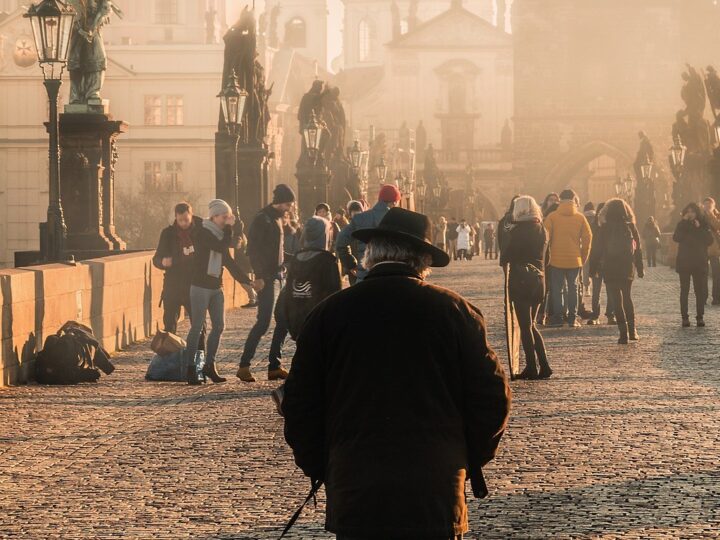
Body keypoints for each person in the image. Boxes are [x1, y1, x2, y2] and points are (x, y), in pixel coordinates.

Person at [282, 207, 511, 540]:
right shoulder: (456, 312)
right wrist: (461, 459)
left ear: (370, 255)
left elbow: (299, 405)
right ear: (423, 261)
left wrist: (325, 467)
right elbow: (493, 401)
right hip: (435, 490)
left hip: (357, 492)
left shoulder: (328, 315)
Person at [271, 215, 343, 415]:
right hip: (319, 317)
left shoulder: (297, 259)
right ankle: (288, 391)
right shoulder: (327, 261)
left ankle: (300, 395)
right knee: (318, 360)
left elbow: (290, 291)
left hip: (297, 317)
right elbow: (334, 295)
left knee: (308, 358)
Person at [185, 199, 253, 385]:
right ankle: (191, 368)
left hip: (216, 286)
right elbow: (221, 247)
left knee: (219, 326)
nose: (226, 220)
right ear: (214, 216)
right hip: (200, 286)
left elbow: (228, 261)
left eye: (228, 217)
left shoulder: (221, 235)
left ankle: (209, 365)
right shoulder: (203, 233)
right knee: (197, 327)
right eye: (224, 217)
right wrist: (231, 230)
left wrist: (247, 282)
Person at [237, 184, 297, 383]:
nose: (290, 207)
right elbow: (252, 251)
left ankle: (274, 366)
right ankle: (244, 365)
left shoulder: (277, 218)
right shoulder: (262, 219)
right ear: (280, 202)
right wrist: (260, 276)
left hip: (279, 276)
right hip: (267, 278)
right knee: (263, 322)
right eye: (288, 203)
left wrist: (295, 258)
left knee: (283, 320)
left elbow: (277, 251)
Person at [500, 196, 551, 379]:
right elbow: (548, 258)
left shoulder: (518, 231)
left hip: (521, 282)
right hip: (539, 281)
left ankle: (531, 367)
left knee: (525, 326)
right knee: (531, 325)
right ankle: (544, 366)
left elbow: (506, 257)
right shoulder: (542, 230)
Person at [589, 199, 644, 344]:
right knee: (627, 297)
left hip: (610, 266)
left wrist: (592, 269)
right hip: (627, 266)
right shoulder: (631, 226)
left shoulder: (604, 228)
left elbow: (597, 250)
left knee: (616, 300)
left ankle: (623, 334)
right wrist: (640, 268)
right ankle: (633, 331)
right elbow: (638, 248)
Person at [543, 189, 593, 328]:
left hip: (556, 260)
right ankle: (572, 319)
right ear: (573, 199)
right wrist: (583, 257)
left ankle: (558, 318)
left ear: (560, 200)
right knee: (573, 289)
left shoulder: (552, 216)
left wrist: (547, 257)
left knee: (557, 289)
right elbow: (588, 238)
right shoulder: (580, 217)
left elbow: (545, 238)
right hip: (574, 259)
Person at [152, 202, 203, 335]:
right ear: (175, 217)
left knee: (199, 325)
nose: (183, 223)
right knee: (169, 326)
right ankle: (171, 355)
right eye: (180, 220)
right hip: (172, 286)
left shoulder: (201, 232)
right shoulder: (168, 234)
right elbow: (156, 259)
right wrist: (163, 262)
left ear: (191, 216)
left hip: (194, 285)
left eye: (186, 219)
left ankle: (199, 355)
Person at [336, 184, 402, 281]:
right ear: (394, 202)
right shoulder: (398, 220)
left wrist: (351, 264)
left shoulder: (360, 218)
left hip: (365, 277)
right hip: (391, 278)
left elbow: (340, 242)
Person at [673, 203, 714, 327]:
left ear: (697, 213)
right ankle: (684, 317)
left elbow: (709, 241)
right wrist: (684, 224)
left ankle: (700, 317)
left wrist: (699, 228)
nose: (690, 214)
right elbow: (676, 238)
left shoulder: (702, 224)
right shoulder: (681, 224)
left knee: (699, 291)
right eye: (688, 211)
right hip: (684, 262)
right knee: (684, 290)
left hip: (698, 262)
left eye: (693, 211)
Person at [587, 202, 615, 326]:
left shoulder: (610, 227)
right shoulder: (594, 227)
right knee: (597, 291)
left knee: (609, 291)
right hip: (598, 262)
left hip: (607, 263)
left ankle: (609, 314)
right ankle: (596, 315)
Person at [702, 197, 720, 304]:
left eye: (710, 205)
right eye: (706, 205)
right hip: (702, 249)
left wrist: (711, 215)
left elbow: (718, 226)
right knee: (702, 275)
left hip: (715, 250)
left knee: (717, 274)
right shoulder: (699, 217)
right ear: (703, 206)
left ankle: (716, 298)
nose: (707, 207)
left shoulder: (717, 216)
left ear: (713, 206)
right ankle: (703, 297)